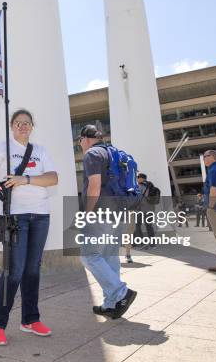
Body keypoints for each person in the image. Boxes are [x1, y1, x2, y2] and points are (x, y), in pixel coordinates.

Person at [0, 109, 58, 346]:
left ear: (32, 127)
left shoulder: (40, 151)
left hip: (41, 215)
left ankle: (30, 319)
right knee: (14, 271)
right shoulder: (4, 148)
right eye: (18, 123)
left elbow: (53, 178)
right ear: (12, 126)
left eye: (27, 123)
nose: (23, 126)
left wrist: (27, 179)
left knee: (33, 269)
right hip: (16, 217)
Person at [77, 125, 137, 319]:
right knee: (110, 257)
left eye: (79, 142)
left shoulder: (92, 154)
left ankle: (121, 293)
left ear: (85, 139)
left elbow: (94, 186)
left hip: (101, 211)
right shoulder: (114, 153)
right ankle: (111, 304)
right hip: (118, 211)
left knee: (89, 255)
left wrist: (87, 212)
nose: (81, 146)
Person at [134, 173, 157, 246]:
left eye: (138, 177)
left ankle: (140, 242)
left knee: (137, 225)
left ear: (141, 178)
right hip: (150, 209)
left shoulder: (139, 186)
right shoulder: (151, 186)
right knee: (149, 225)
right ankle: (153, 243)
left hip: (141, 209)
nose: (137, 179)